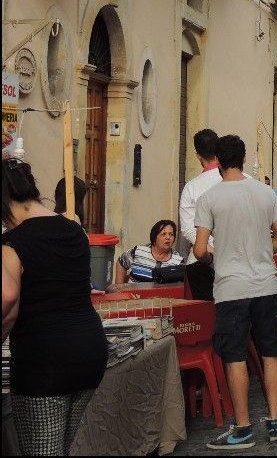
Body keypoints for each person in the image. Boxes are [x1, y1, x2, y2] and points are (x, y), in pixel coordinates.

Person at [2, 158, 108, 455]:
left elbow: (7, 296)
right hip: (88, 351)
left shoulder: (13, 242)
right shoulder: (74, 230)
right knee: (60, 447)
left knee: (43, 451)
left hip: (45, 361)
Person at [194, 135, 277, 449]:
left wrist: (214, 255)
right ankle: (275, 421)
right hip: (265, 283)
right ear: (244, 158)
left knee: (234, 355)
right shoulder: (265, 193)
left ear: (218, 162)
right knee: (270, 350)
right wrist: (263, 248)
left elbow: (198, 250)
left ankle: (244, 427)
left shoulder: (210, 198)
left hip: (230, 287)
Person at [179, 128, 222, 265]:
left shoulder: (191, 187)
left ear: (198, 155)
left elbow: (188, 229)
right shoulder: (244, 180)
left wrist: (209, 248)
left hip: (203, 259)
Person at [114, 219, 184, 285]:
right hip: (134, 295)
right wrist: (119, 288)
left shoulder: (178, 261)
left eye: (171, 234)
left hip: (161, 297)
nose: (168, 237)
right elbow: (121, 262)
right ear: (154, 237)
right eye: (163, 234)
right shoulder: (139, 251)